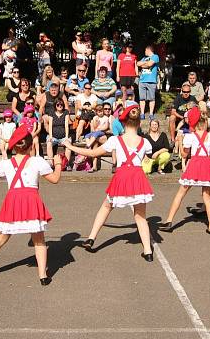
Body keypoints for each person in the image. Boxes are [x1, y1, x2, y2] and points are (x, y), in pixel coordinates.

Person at [0, 124, 62, 286]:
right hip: (31, 200)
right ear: (30, 145)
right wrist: (59, 164)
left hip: (13, 200)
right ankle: (42, 275)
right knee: (39, 240)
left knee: (0, 237)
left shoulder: (6, 164)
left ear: (14, 147)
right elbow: (55, 179)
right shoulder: (37, 161)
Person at [62, 105, 155, 262]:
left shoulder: (115, 140)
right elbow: (146, 157)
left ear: (123, 122)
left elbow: (92, 153)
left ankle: (91, 238)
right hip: (138, 177)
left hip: (122, 175)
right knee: (140, 216)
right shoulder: (145, 142)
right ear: (139, 122)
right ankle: (147, 251)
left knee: (106, 206)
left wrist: (70, 146)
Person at [160, 107, 210, 235]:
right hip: (206, 165)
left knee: (181, 193)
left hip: (195, 164)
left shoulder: (190, 137)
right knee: (206, 197)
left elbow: (184, 155)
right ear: (205, 123)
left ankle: (169, 221)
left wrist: (182, 140)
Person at [46, 99, 72, 169]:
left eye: (61, 105)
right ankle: (51, 163)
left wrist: (66, 137)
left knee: (68, 145)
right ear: (55, 105)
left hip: (63, 136)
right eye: (58, 105)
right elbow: (50, 125)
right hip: (54, 136)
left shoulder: (66, 112)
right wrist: (51, 136)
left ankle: (66, 164)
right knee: (49, 143)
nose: (60, 106)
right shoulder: (51, 112)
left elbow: (66, 125)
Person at [137, 45, 159, 119]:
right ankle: (142, 114)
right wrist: (145, 64)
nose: (144, 52)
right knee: (142, 98)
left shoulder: (155, 56)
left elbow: (150, 64)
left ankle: (151, 114)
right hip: (142, 80)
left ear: (148, 50)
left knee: (151, 98)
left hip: (151, 81)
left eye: (145, 50)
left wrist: (144, 64)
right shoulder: (144, 58)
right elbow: (138, 63)